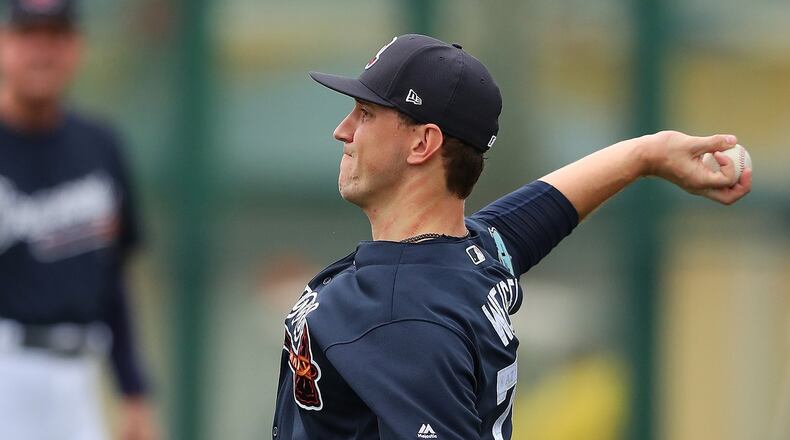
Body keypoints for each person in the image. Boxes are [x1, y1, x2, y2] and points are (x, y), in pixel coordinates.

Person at [271, 34, 751, 440]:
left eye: (365, 114)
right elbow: (536, 215)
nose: (343, 131)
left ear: (423, 143)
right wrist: (645, 155)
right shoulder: (466, 260)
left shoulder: (401, 318)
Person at [0, 1, 157, 439]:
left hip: (78, 381)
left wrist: (133, 391)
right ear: (3, 43)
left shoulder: (100, 146)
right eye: (29, 36)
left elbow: (112, 281)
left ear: (77, 49)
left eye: (56, 37)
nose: (42, 51)